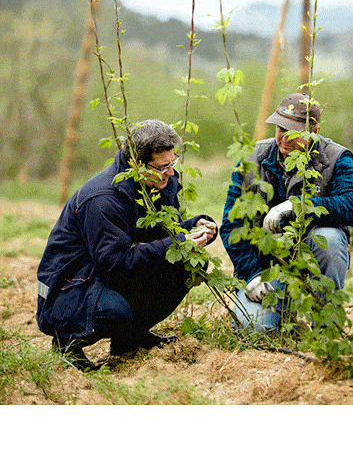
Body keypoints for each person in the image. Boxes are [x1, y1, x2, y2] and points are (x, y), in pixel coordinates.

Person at [36, 119, 218, 370]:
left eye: (173, 163)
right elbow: (115, 264)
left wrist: (195, 227)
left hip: (106, 270)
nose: (171, 173)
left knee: (188, 265)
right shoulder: (103, 199)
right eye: (163, 167)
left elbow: (162, 234)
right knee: (115, 312)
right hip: (69, 284)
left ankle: (130, 337)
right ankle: (67, 342)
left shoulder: (161, 182)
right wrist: (176, 242)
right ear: (135, 164)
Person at [220, 92, 353, 335]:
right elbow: (230, 225)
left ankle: (325, 328)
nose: (284, 138)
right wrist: (251, 275)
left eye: (294, 131)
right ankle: (284, 316)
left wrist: (298, 206)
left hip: (312, 259)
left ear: (315, 131)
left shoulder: (335, 158)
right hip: (267, 265)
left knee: (330, 239)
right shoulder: (251, 159)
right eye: (280, 128)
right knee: (254, 329)